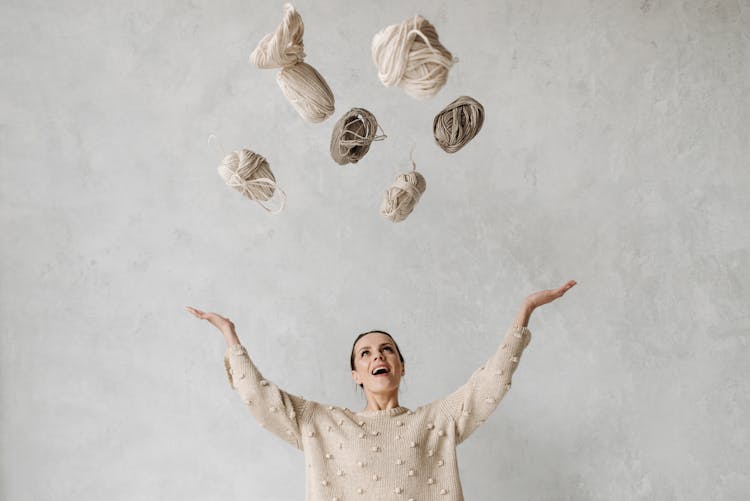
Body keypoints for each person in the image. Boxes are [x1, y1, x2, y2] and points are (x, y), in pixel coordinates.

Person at [186, 280, 576, 500]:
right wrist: (229, 335)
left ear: (401, 366)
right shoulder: (321, 422)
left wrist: (524, 312)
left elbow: (489, 383)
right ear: (356, 373)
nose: (379, 356)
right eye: (367, 353)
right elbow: (260, 397)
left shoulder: (437, 420)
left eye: (387, 349)